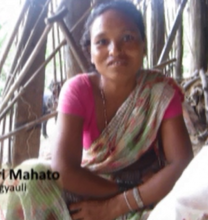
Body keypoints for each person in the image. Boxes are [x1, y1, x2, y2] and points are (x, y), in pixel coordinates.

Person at [0, 1, 193, 220]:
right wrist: (122, 193)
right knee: (28, 175)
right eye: (102, 41)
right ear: (90, 53)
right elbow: (63, 169)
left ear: (143, 45)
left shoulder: (160, 92)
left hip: (147, 193)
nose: (115, 50)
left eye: (127, 38)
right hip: (93, 186)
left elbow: (181, 164)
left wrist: (119, 205)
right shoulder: (77, 90)